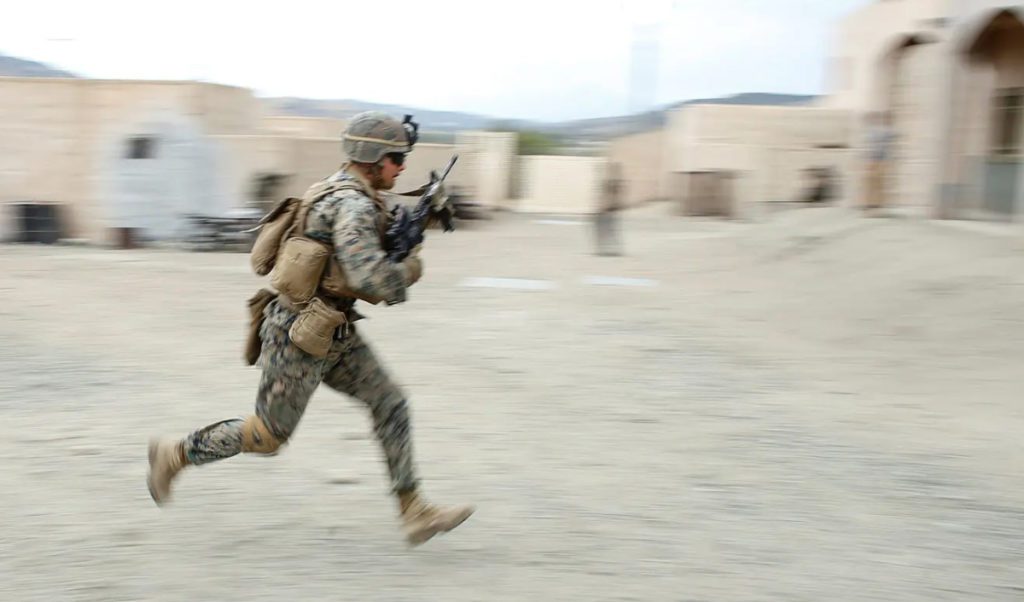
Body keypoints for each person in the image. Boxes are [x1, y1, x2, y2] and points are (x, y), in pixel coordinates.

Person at [146, 111, 474, 546]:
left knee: (390, 402)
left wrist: (418, 225)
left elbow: (366, 245)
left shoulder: (345, 189)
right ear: (373, 158)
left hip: (332, 329)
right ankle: (174, 454)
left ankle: (413, 510)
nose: (401, 167)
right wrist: (410, 267)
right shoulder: (353, 204)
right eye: (396, 158)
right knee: (267, 435)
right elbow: (370, 277)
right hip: (298, 336)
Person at [863, 111, 896, 213]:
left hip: (881, 160)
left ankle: (877, 204)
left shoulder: (886, 132)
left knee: (879, 182)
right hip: (874, 160)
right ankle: (870, 204)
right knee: (872, 182)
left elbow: (883, 147)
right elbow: (870, 148)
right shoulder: (873, 132)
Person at [594, 162, 625, 256]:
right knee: (609, 230)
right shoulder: (614, 182)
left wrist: (604, 206)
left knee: (606, 230)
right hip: (608, 209)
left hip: (607, 209)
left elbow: (609, 196)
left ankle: (608, 249)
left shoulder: (612, 183)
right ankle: (610, 249)